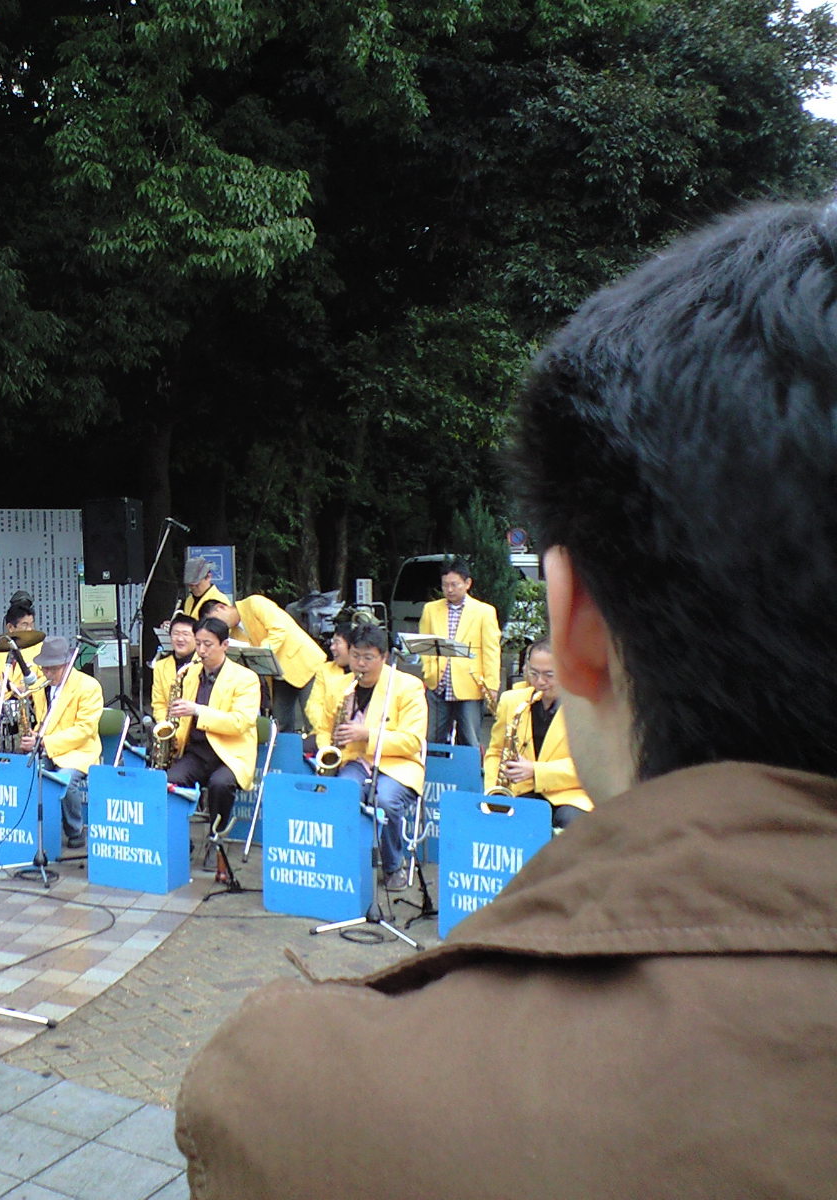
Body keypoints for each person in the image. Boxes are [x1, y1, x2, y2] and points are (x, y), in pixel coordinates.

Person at [176, 202, 837, 1196]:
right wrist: (354, 739)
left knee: (414, 796)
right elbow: (358, 735)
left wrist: (478, 740)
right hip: (446, 751)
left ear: (567, 630)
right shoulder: (291, 675)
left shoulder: (310, 1095)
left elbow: (451, 735)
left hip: (453, 729)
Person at [317, 623, 426, 889]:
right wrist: (326, 748)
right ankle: (346, 862)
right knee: (342, 794)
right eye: (355, 656)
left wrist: (367, 734)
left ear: (384, 657)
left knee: (385, 801)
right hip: (354, 761)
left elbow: (412, 741)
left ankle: (393, 866)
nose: (360, 664)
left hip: (398, 764)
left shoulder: (408, 686)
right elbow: (323, 727)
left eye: (368, 658)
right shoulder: (341, 687)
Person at [164, 617, 260, 834]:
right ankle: (178, 841)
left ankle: (216, 842)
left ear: (224, 645)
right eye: (198, 644)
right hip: (196, 753)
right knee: (168, 782)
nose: (201, 651)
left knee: (220, 785)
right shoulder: (189, 675)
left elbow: (240, 722)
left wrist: (197, 710)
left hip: (229, 755)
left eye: (208, 644)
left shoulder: (246, 678)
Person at [482, 639, 589, 829]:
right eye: (534, 673)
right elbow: (496, 752)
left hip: (571, 794)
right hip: (523, 790)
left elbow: (591, 768)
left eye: (549, 675)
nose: (540, 682)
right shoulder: (511, 701)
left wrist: (536, 771)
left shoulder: (588, 708)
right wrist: (493, 790)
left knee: (570, 822)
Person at [199, 594, 326, 733]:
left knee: (313, 720)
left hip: (304, 663)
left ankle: (321, 754)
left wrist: (260, 652)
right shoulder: (234, 634)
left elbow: (279, 629)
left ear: (221, 608)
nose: (218, 627)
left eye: (216, 621)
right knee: (280, 722)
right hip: (278, 673)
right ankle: (285, 753)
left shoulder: (254, 603)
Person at [21, 636, 103, 848]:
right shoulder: (42, 686)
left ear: (67, 665)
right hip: (47, 746)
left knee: (64, 781)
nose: (47, 674)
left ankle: (75, 830)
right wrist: (34, 736)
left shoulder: (88, 686)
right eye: (45, 669)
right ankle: (35, 829)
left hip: (79, 751)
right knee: (27, 776)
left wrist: (44, 742)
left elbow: (85, 730)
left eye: (53, 669)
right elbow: (43, 720)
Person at [416, 557, 500, 747]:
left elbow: (491, 651)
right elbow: (424, 644)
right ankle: (434, 776)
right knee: (432, 738)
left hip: (470, 684)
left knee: (469, 739)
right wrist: (428, 672)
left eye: (454, 584)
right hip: (438, 683)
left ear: (467, 583)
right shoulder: (430, 609)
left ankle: (469, 775)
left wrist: (492, 685)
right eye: (445, 585)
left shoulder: (484, 611)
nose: (450, 590)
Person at [302, 626, 353, 754]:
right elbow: (313, 705)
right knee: (295, 752)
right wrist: (328, 729)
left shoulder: (368, 673)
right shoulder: (325, 670)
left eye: (337, 642)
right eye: (332, 642)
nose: (332, 647)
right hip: (323, 734)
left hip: (354, 738)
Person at [0, 597, 44, 697]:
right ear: (10, 627)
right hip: (1, 706)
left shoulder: (40, 648)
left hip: (31, 706)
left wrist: (29, 688)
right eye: (25, 625)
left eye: (32, 624)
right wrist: (9, 688)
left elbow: (47, 677)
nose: (30, 629)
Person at [150, 613, 199, 725]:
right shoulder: (160, 666)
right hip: (170, 726)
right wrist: (164, 726)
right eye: (176, 634)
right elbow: (158, 703)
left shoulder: (204, 664)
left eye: (186, 634)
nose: (180, 639)